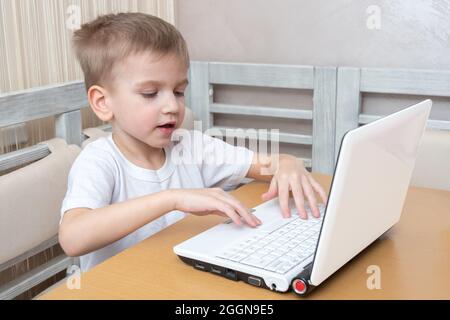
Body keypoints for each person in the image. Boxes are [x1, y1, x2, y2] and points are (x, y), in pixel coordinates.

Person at [59, 12, 328, 271]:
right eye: (151, 93)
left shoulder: (190, 146)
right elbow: (73, 237)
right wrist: (173, 199)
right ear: (103, 103)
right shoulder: (99, 160)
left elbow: (264, 165)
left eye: (178, 91)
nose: (172, 106)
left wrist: (287, 163)